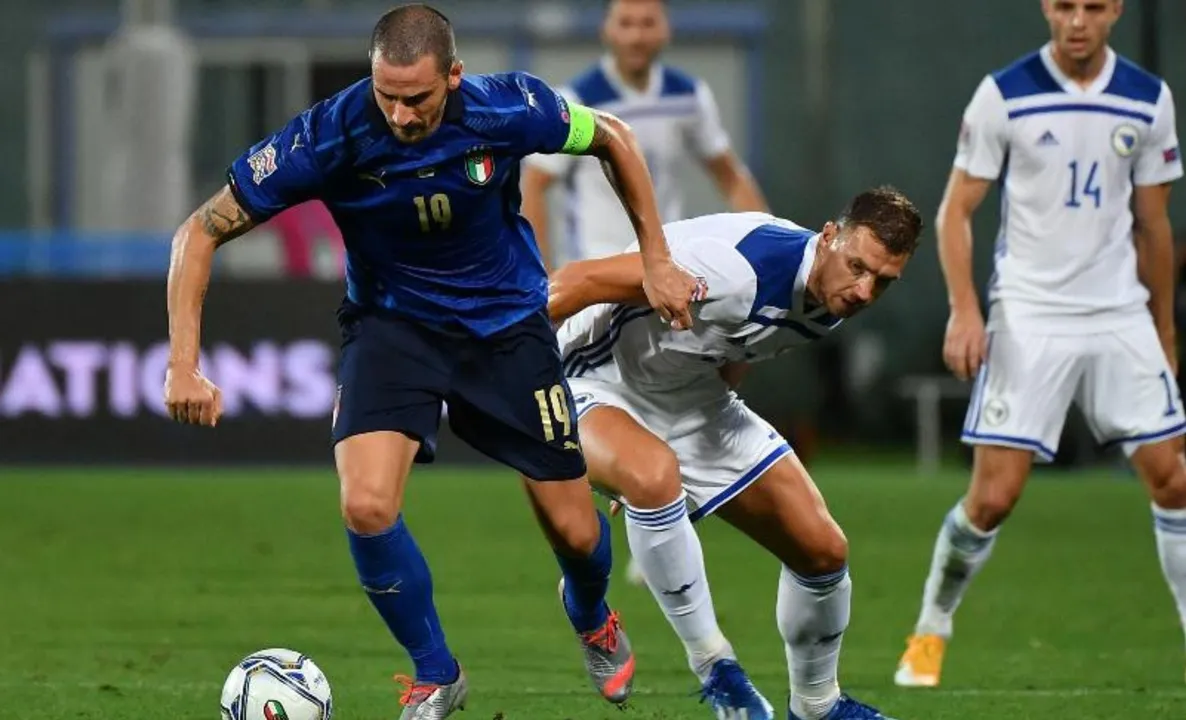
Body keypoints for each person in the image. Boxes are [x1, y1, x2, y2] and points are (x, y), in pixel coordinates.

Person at [161, 5, 703, 718]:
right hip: (392, 330)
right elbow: (199, 232)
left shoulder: (507, 108)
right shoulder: (329, 135)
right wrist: (183, 364)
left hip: (507, 330)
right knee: (365, 503)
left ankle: (590, 610)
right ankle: (436, 671)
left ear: (453, 76)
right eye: (386, 94)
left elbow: (613, 138)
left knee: (576, 532)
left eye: (416, 98)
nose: (400, 114)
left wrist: (656, 259)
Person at [894, 0, 1186, 689]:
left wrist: (1164, 332)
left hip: (1118, 313)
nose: (1077, 20)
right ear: (1047, 8)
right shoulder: (1003, 95)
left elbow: (1154, 227)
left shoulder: (1148, 99)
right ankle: (932, 627)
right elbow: (956, 211)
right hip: (1029, 314)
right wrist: (965, 310)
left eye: (1093, 6)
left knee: (1174, 479)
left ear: (1115, 10)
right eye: (1064, 5)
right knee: (993, 497)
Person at [548, 187, 922, 719]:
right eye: (858, 267)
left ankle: (818, 706)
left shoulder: (833, 297)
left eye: (883, 281)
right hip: (591, 377)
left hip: (691, 395)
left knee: (822, 552)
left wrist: (672, 460)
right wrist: (504, 368)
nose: (865, 290)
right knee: (652, 477)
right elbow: (576, 281)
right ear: (828, 237)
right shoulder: (732, 270)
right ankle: (717, 672)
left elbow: (738, 341)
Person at [520, 0, 767, 270]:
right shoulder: (576, 102)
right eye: (625, 23)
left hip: (666, 273)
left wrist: (768, 252)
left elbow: (731, 177)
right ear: (606, 29)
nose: (636, 37)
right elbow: (533, 184)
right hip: (596, 275)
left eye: (648, 23)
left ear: (666, 29)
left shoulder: (688, 97)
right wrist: (541, 276)